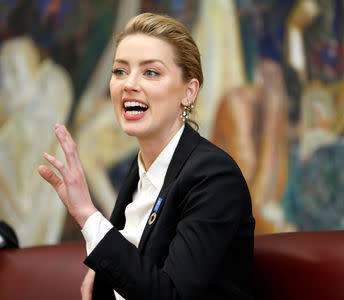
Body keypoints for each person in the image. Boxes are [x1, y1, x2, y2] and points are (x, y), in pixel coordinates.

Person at [38, 12, 255, 300]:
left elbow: (170, 296)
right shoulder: (140, 168)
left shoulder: (213, 176)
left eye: (150, 72)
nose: (129, 84)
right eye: (120, 71)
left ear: (188, 92)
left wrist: (87, 215)